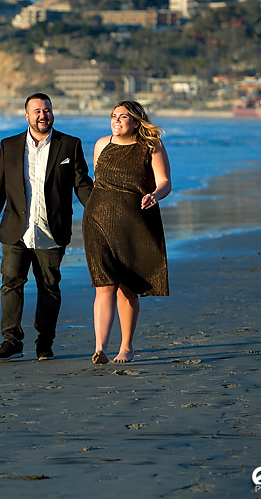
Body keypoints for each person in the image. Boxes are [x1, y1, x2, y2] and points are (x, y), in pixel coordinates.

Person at [0, 93, 94, 362]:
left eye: (47, 110)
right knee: (10, 284)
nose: (43, 115)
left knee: (49, 287)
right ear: (27, 116)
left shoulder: (70, 145)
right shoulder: (9, 145)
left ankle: (45, 343)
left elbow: (82, 184)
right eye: (37, 111)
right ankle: (11, 341)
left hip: (51, 229)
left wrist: (99, 213)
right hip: (16, 228)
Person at [82, 100, 171, 364]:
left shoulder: (151, 146)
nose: (116, 120)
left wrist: (155, 195)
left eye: (123, 116)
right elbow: (99, 182)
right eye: (113, 116)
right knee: (103, 284)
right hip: (97, 222)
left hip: (133, 224)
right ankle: (100, 348)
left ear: (136, 121)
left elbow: (165, 182)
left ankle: (126, 347)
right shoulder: (101, 145)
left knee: (127, 288)